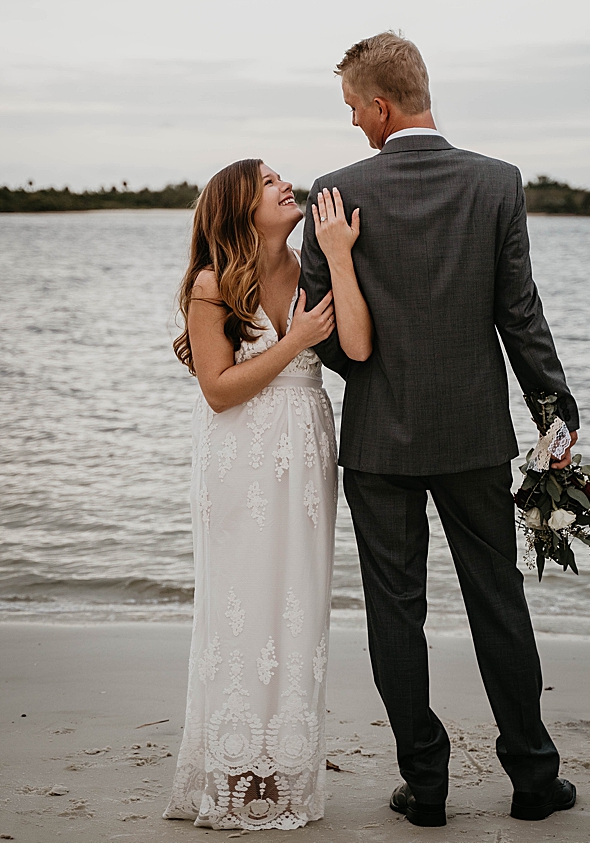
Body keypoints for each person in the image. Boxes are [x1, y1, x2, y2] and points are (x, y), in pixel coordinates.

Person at [297, 32, 579, 827]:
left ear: (381, 105)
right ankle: (531, 778)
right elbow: (518, 314)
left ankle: (425, 787)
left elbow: (319, 328)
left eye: (354, 108)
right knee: (499, 601)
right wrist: (556, 416)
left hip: (380, 443)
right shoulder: (496, 183)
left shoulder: (335, 192)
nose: (353, 122)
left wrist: (378, 380)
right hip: (473, 438)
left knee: (395, 610)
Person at [165, 160, 372, 830]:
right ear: (241, 207)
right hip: (240, 456)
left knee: (297, 603)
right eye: (270, 182)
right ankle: (231, 769)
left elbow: (360, 347)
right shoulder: (213, 283)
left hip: (307, 453)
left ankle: (280, 765)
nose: (288, 186)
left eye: (284, 178)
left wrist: (340, 257)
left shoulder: (311, 270)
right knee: (242, 604)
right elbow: (218, 388)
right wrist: (298, 342)